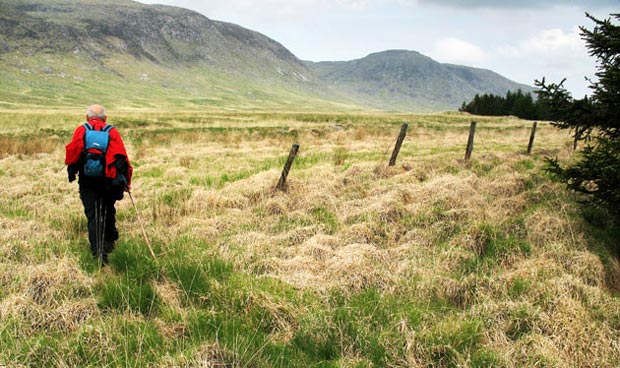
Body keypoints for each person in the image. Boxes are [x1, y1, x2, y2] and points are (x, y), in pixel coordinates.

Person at [65, 105, 132, 265]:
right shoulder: (112, 131)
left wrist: (73, 173)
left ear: (87, 117)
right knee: (108, 209)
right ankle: (110, 243)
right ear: (105, 118)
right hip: (108, 180)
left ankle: (99, 254)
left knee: (94, 215)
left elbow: (72, 155)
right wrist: (126, 182)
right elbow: (122, 158)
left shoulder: (81, 130)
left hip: (87, 180)